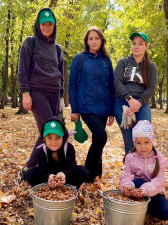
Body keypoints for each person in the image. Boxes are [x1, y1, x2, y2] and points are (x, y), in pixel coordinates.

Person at [17, 7, 64, 179]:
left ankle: (43, 169)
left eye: (50, 24)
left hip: (54, 92)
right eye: (43, 23)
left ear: (54, 26)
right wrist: (25, 92)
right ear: (38, 24)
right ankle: (29, 168)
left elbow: (61, 75)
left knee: (51, 132)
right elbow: (22, 70)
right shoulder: (30, 42)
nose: (46, 26)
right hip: (37, 92)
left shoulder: (57, 49)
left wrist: (61, 98)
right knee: (51, 129)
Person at [68, 26, 115, 183]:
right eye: (91, 38)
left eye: (97, 38)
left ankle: (96, 175)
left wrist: (112, 111)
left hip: (103, 107)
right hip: (86, 106)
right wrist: (74, 109)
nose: (94, 41)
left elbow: (111, 86)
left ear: (101, 40)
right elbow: (72, 85)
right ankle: (86, 174)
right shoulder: (80, 58)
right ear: (86, 41)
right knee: (101, 137)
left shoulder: (106, 61)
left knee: (98, 139)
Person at [114, 32, 158, 153]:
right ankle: (130, 171)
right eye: (134, 43)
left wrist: (138, 102)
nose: (136, 46)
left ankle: (146, 170)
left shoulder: (151, 66)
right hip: (122, 102)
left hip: (142, 104)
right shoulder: (123, 63)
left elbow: (152, 88)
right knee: (130, 142)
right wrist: (129, 99)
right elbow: (117, 82)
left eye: (140, 43)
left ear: (146, 46)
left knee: (144, 139)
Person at [120, 120, 168, 221]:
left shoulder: (160, 159)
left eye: (146, 142)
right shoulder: (130, 157)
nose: (143, 147)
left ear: (152, 141)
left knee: (166, 214)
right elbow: (126, 174)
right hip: (135, 188)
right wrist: (127, 187)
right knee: (138, 181)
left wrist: (144, 191)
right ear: (134, 143)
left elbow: (159, 181)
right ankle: (136, 206)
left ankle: (145, 207)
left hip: (153, 191)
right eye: (138, 143)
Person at [19, 117, 90, 189]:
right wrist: (49, 177)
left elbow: (71, 167)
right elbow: (43, 169)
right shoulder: (41, 150)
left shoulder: (69, 148)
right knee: (30, 172)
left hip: (64, 177)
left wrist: (64, 174)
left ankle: (70, 188)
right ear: (44, 139)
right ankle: (43, 188)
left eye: (58, 137)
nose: (54, 142)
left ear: (63, 137)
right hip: (48, 177)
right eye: (50, 138)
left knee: (82, 170)